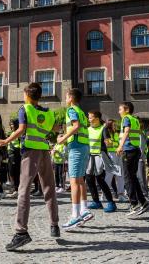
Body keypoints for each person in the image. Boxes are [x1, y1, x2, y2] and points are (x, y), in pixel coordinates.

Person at [0, 82, 59, 251]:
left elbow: (22, 128)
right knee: (49, 188)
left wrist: (6, 141)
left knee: (23, 191)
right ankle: (54, 225)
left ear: (28, 96)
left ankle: (21, 232)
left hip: (30, 152)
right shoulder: (48, 112)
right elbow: (56, 127)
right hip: (44, 151)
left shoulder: (25, 109)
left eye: (24, 94)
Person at [57, 88, 93, 229]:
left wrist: (63, 139)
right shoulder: (82, 112)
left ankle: (75, 216)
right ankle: (84, 210)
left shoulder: (71, 110)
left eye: (66, 97)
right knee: (80, 180)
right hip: (84, 146)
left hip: (76, 147)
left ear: (71, 98)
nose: (65, 99)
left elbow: (75, 126)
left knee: (74, 181)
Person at [116, 102, 149, 216]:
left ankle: (134, 204)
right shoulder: (135, 119)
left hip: (128, 150)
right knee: (133, 178)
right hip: (135, 150)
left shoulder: (126, 118)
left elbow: (126, 131)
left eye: (120, 109)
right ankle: (143, 202)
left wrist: (120, 146)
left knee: (127, 178)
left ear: (126, 109)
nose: (119, 111)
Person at [86, 111, 117, 213]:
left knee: (100, 180)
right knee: (89, 179)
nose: (89, 119)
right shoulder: (88, 129)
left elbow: (108, 142)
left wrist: (109, 142)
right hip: (89, 157)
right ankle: (96, 202)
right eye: (88, 118)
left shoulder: (103, 129)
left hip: (100, 157)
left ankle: (111, 203)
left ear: (97, 118)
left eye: (90, 117)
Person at [104, 119, 127, 202]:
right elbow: (108, 143)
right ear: (110, 125)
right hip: (111, 154)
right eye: (114, 124)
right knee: (109, 175)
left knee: (120, 175)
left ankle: (121, 194)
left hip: (118, 154)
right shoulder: (106, 132)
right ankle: (104, 194)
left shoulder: (116, 133)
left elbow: (118, 143)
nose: (115, 125)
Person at [7, 119, 22, 199]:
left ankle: (17, 190)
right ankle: (14, 189)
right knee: (11, 173)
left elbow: (20, 145)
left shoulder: (18, 133)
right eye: (10, 124)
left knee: (15, 173)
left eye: (12, 124)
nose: (11, 126)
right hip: (10, 155)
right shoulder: (12, 133)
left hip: (15, 156)